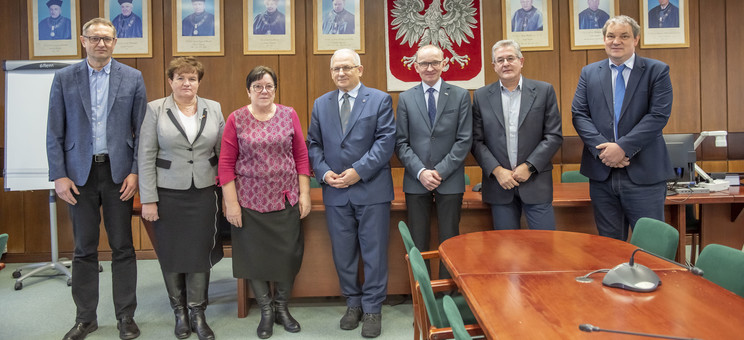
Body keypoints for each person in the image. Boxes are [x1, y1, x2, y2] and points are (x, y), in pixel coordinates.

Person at [46, 17, 146, 340]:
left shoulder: (133, 78)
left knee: (123, 247)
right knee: (83, 249)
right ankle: (85, 318)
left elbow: (142, 132)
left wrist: (134, 171)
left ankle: (125, 317)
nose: (101, 43)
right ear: (83, 40)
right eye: (94, 38)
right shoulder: (64, 78)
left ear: (115, 43)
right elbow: (54, 132)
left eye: (107, 39)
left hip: (119, 176)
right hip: (79, 176)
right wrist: (59, 175)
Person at [306, 49, 395, 338]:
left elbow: (385, 142)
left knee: (374, 252)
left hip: (371, 189)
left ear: (360, 69)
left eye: (346, 67)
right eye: (335, 69)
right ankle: (353, 304)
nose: (341, 73)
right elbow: (313, 145)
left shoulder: (380, 99)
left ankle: (372, 308)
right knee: (343, 253)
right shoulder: (321, 104)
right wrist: (323, 173)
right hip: (335, 191)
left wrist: (358, 170)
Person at [219, 66, 310, 339]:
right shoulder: (236, 119)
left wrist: (304, 193)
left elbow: (301, 157)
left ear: (275, 89)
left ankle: (282, 307)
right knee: (254, 259)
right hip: (249, 202)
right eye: (257, 86)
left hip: (285, 199)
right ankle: (266, 310)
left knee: (287, 256)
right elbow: (225, 165)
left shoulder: (288, 114)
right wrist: (231, 204)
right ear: (248, 90)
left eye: (269, 85)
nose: (264, 91)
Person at [138, 57, 223, 340]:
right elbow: (146, 155)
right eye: (181, 78)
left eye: (192, 78)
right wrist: (148, 199)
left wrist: (229, 193)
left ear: (199, 81)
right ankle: (180, 312)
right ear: (171, 80)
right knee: (172, 253)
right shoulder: (154, 109)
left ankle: (198, 312)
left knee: (200, 252)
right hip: (167, 193)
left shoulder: (214, 108)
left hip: (204, 191)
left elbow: (224, 153)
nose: (187, 83)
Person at [571, 15, 673, 241]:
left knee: (650, 246)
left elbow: (658, 116)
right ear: (604, 40)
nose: (616, 41)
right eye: (611, 36)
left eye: (624, 36)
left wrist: (622, 148)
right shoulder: (589, 73)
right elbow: (579, 114)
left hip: (644, 174)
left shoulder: (656, 71)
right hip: (602, 175)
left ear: (636, 39)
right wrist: (603, 151)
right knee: (609, 246)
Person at [394, 44, 471, 279]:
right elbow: (401, 143)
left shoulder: (460, 95)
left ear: (444, 64)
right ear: (416, 67)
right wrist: (421, 172)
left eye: (435, 62)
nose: (430, 68)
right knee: (418, 240)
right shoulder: (406, 99)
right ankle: (423, 298)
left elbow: (464, 139)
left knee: (450, 239)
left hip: (450, 179)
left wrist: (439, 171)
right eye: (424, 63)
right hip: (416, 181)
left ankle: (447, 293)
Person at [471, 40, 562, 230]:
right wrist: (497, 171)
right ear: (494, 66)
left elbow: (553, 135)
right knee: (506, 251)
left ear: (521, 61)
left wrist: (529, 167)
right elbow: (476, 141)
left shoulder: (544, 91)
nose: (506, 64)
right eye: (500, 60)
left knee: (545, 247)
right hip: (500, 185)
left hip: (536, 182)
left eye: (510, 58)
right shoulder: (481, 96)